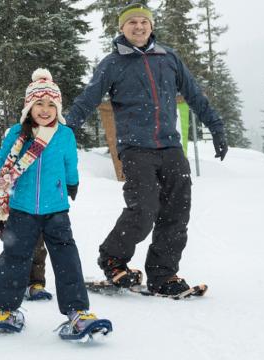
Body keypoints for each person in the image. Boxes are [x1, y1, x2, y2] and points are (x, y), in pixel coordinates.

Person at [65, 3, 228, 296]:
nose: (138, 27)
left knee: (177, 212)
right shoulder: (112, 63)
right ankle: (113, 259)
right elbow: (88, 99)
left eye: (144, 22)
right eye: (132, 23)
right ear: (122, 29)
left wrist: (216, 127)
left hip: (169, 146)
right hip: (135, 148)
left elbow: (194, 94)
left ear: (151, 26)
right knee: (144, 209)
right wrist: (67, 130)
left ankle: (163, 274)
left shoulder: (169, 58)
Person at [0, 68, 111, 339]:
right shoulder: (18, 133)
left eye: (51, 104)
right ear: (29, 106)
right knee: (14, 258)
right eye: (39, 103)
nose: (45, 109)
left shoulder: (64, 134)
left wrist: (72, 183)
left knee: (66, 258)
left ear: (58, 107)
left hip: (57, 210)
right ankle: (6, 311)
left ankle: (78, 312)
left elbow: (69, 164)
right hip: (22, 209)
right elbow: (0, 162)